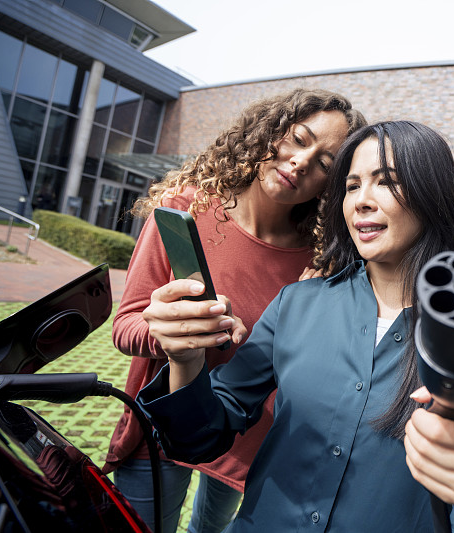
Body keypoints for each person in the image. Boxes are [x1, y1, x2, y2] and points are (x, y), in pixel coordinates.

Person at [135, 120, 454, 532]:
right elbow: (198, 437)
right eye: (352, 185)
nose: (361, 200)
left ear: (432, 196)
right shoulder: (297, 303)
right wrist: (185, 359)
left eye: (386, 182)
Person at [103, 88, 366, 533]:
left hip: (245, 439)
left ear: (332, 183)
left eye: (325, 163)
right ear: (269, 131)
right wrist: (183, 334)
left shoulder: (319, 259)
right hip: (160, 427)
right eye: (299, 138)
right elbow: (126, 325)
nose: (303, 161)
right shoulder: (186, 208)